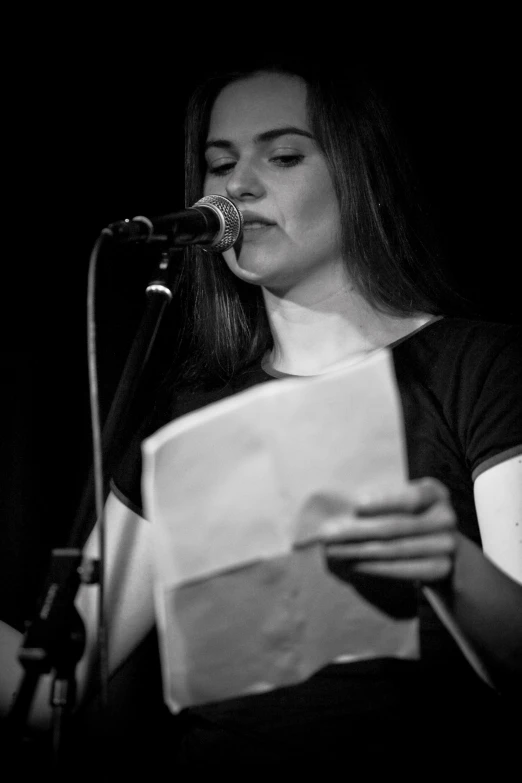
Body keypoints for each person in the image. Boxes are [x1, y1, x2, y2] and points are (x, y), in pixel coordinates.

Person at [2, 56, 521, 774]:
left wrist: (454, 568)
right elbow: (58, 675)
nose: (237, 186)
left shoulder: (478, 367)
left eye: (282, 155)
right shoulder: (184, 421)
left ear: (361, 173)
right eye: (218, 164)